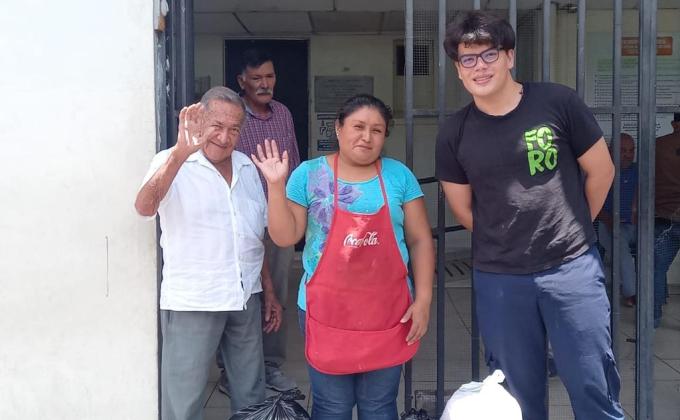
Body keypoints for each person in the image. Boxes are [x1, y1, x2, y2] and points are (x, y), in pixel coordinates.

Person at [435, 11, 623, 420]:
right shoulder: (454, 132)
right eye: (468, 59)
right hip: (501, 278)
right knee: (515, 394)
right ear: (458, 70)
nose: (480, 66)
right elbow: (463, 208)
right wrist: (507, 241)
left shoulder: (557, 102)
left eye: (489, 54)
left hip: (572, 269)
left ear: (509, 57)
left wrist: (572, 227)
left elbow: (602, 171)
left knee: (592, 381)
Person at [252, 94, 435, 420]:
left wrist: (423, 300)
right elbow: (285, 236)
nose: (367, 136)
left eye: (377, 130)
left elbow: (420, 240)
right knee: (332, 407)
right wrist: (276, 187)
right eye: (358, 127)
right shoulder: (309, 175)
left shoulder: (398, 176)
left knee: (379, 406)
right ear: (338, 128)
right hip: (325, 312)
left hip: (389, 312)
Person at [135, 86, 282, 419]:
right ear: (199, 121)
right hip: (195, 300)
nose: (224, 137)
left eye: (234, 129)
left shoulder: (246, 167)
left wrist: (268, 290)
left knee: (251, 393)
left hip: (245, 297)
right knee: (184, 400)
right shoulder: (171, 161)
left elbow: (253, 235)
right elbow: (144, 208)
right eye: (217, 126)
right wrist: (179, 154)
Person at [229, 48, 301, 393]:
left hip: (277, 217)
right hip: (239, 218)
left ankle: (270, 365)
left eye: (269, 76)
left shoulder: (282, 113)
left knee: (277, 292)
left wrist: (296, 212)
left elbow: (294, 163)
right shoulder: (232, 115)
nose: (264, 84)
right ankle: (233, 371)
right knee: (242, 293)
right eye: (256, 78)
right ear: (241, 80)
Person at [597, 133, 638, 307]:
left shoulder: (639, 170)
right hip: (609, 224)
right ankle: (632, 293)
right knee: (620, 248)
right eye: (623, 150)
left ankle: (649, 292)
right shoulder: (601, 172)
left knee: (653, 249)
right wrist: (610, 221)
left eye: (631, 150)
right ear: (610, 150)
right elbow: (592, 205)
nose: (628, 155)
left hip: (635, 225)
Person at [654, 113, 680, 328]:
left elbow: (645, 180)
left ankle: (652, 317)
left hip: (665, 216)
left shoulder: (658, 146)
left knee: (656, 268)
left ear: (674, 124)